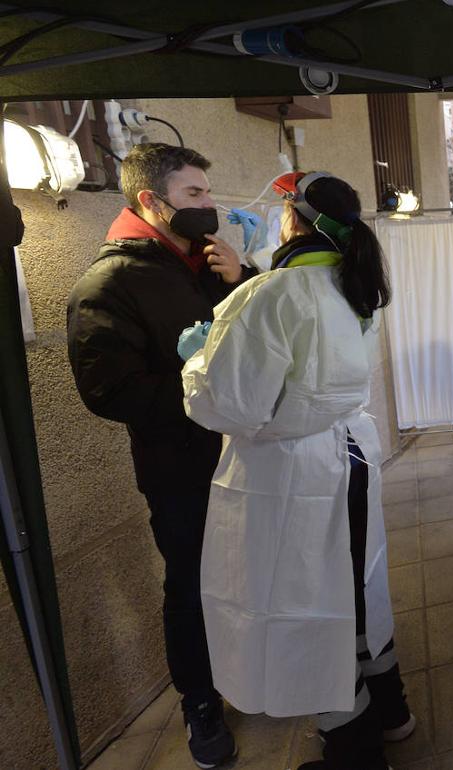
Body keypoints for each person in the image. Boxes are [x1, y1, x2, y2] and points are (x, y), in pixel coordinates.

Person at [180, 172, 414, 770]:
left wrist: (197, 363)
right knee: (357, 586)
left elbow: (231, 405)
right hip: (351, 457)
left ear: (294, 220)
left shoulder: (267, 296)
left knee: (309, 603)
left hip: (295, 476)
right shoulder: (355, 284)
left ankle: (354, 751)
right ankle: (392, 713)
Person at [66, 143, 252, 768]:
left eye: (207, 192)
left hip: (238, 454)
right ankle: (200, 701)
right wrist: (205, 402)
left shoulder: (198, 264)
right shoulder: (109, 282)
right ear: (151, 201)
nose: (209, 205)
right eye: (194, 195)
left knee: (239, 572)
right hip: (178, 466)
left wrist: (242, 281)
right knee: (193, 583)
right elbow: (108, 389)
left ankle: (241, 672)